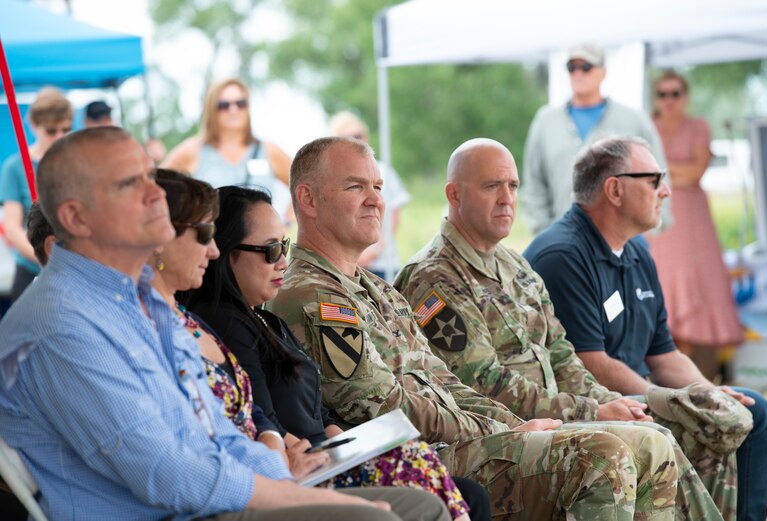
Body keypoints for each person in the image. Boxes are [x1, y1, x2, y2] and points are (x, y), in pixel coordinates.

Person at [0, 127, 451, 521]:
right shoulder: (63, 323)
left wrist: (280, 474)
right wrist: (290, 494)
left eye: (148, 175)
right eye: (129, 184)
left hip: (211, 500)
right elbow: (169, 475)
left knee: (420, 507)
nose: (156, 194)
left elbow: (212, 432)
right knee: (386, 516)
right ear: (77, 218)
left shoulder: (135, 301)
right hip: (176, 513)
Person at [268, 136, 687, 520]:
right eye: (356, 187)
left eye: (378, 188)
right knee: (605, 454)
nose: (376, 201)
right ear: (308, 198)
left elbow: (446, 380)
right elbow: (383, 407)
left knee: (647, 442)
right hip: (408, 458)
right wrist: (504, 429)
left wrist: (511, 424)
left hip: (456, 443)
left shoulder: (375, 287)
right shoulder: (314, 297)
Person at [395, 138, 735, 519]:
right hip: (505, 433)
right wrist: (592, 409)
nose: (507, 198)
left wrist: (606, 402)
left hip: (558, 417)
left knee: (692, 428)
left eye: (513, 186)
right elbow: (483, 382)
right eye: (492, 186)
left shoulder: (515, 266)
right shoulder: (435, 278)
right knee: (642, 446)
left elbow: (561, 355)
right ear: (454, 194)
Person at [183, 185, 486, 521]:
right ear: (224, 253)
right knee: (424, 470)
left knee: (458, 486)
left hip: (323, 458)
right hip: (296, 471)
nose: (283, 261)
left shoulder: (264, 319)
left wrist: (348, 445)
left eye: (283, 246)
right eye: (270, 251)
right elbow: (260, 414)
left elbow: (317, 409)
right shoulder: (227, 322)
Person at [524, 136, 767, 521]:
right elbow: (591, 363)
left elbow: (664, 353)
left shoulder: (637, 249)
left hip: (641, 394)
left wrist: (707, 392)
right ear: (614, 190)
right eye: (654, 179)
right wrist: (672, 401)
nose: (667, 190)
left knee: (750, 409)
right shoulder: (563, 255)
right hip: (600, 406)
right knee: (718, 420)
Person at [647, 71, 744, 374]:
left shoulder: (698, 126)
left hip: (694, 220)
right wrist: (676, 171)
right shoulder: (649, 128)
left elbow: (696, 172)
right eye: (663, 94)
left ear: (685, 96)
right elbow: (650, 172)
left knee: (700, 283)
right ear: (656, 98)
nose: (669, 100)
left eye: (675, 93)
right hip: (660, 215)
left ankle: (702, 370)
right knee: (664, 283)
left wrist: (662, 167)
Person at [521, 43, 665, 234]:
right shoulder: (546, 121)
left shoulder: (633, 120)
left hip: (622, 239)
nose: (578, 74)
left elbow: (658, 177)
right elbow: (534, 183)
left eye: (586, 67)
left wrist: (647, 234)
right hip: (562, 237)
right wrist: (543, 230)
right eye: (572, 68)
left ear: (603, 72)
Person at [162, 77, 293, 220]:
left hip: (261, 242)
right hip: (211, 240)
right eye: (224, 105)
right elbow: (157, 186)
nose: (233, 109)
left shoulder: (268, 150)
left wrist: (285, 223)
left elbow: (305, 187)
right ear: (211, 109)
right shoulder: (192, 150)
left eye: (240, 103)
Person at [0, 86, 72, 300]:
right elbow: (11, 226)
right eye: (51, 131)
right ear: (34, 126)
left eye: (66, 129)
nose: (59, 137)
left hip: (73, 270)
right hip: (32, 269)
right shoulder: (15, 167)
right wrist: (46, 258)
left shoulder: (78, 164)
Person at [330, 111, 410, 280]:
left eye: (358, 135)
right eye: (347, 138)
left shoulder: (384, 171)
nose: (355, 141)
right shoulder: (333, 176)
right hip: (346, 266)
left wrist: (374, 252)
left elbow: (394, 218)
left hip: (383, 264)